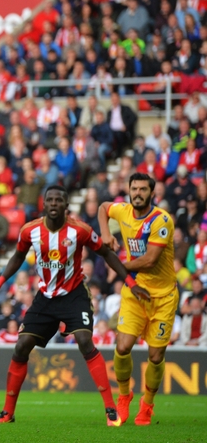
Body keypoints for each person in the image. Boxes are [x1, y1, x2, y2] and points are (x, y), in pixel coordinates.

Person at [0, 186, 150, 427]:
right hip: (45, 297)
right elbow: (18, 257)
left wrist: (131, 283)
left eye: (58, 200)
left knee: (84, 340)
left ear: (66, 206)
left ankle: (110, 409)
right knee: (21, 346)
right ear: (44, 204)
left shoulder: (80, 230)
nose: (54, 203)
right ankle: (7, 413)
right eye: (50, 200)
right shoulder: (30, 230)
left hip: (74, 295)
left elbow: (106, 253)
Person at [97, 173, 178, 425]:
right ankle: (124, 397)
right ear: (129, 190)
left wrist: (119, 266)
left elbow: (150, 260)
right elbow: (103, 208)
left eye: (143, 189)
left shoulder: (161, 220)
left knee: (156, 356)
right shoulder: (122, 211)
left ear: (152, 193)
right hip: (135, 291)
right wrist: (106, 234)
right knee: (122, 347)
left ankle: (147, 404)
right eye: (134, 189)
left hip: (163, 297)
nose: (138, 193)